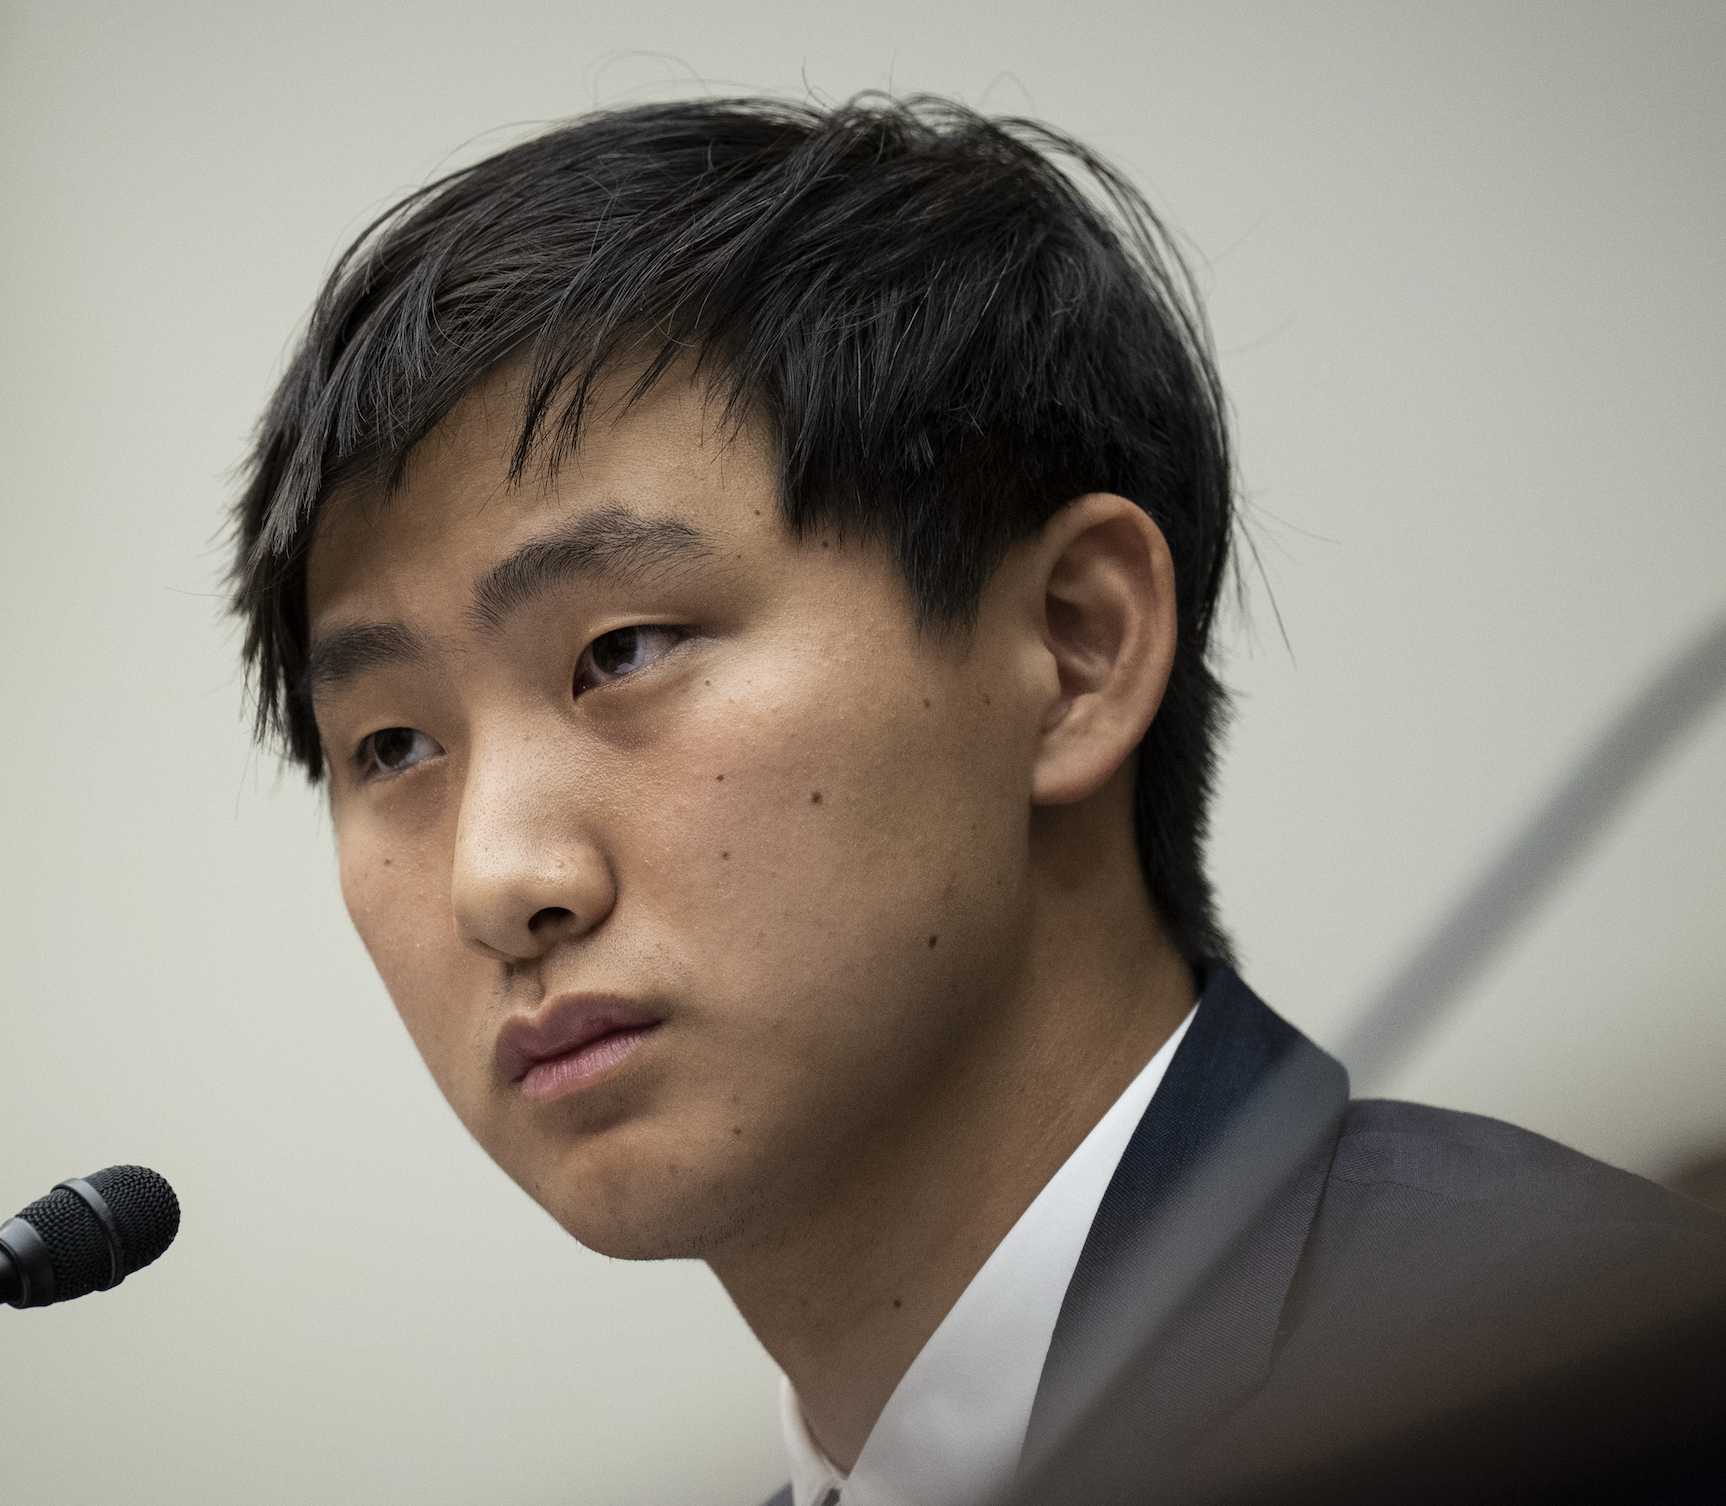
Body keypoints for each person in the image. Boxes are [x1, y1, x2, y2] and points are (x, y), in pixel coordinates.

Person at [230, 96, 1725, 1505]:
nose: (498, 880)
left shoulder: (1590, 1383)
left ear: (1074, 650)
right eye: (392, 747)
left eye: (622, 652)